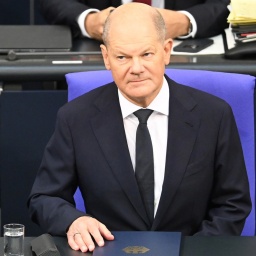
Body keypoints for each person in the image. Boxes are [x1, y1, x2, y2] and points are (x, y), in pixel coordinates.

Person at [28, 2, 251, 253]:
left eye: (146, 54)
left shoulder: (214, 115)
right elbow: (45, 197)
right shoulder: (75, 118)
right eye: (122, 57)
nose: (136, 69)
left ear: (166, 50)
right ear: (106, 58)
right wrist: (74, 221)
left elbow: (232, 204)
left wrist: (195, 250)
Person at [39, 0, 230, 40]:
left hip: (188, 62)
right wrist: (89, 21)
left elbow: (227, 3)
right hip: (100, 62)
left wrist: (185, 21)